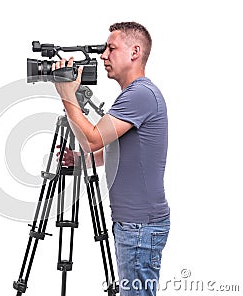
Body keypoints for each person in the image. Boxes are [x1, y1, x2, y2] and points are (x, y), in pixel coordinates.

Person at [53, 22, 170, 296]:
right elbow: (114, 152)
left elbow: (93, 139)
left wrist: (67, 96)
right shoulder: (134, 95)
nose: (103, 55)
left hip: (139, 226)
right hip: (134, 223)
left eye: (111, 48)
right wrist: (80, 162)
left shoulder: (140, 94)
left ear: (135, 52)